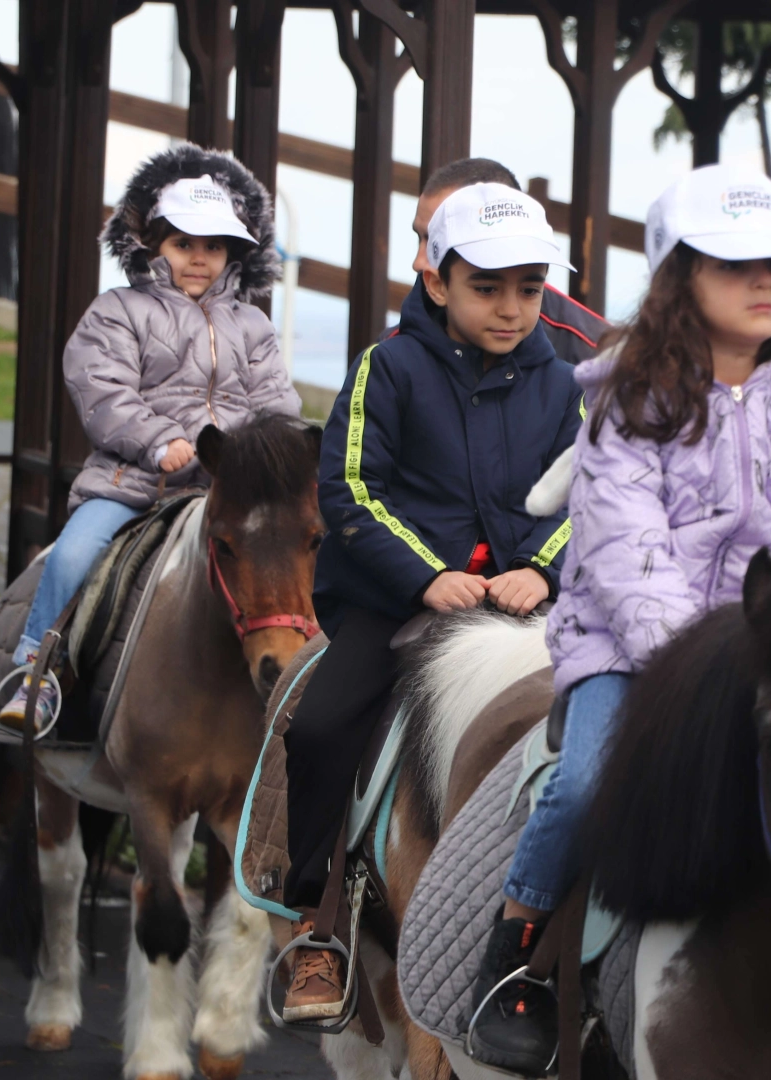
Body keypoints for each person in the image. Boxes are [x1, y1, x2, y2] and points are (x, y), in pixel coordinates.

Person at [464, 164, 771, 1074]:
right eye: (733, 265)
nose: (764, 283)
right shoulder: (628, 404)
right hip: (633, 652)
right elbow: (625, 555)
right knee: (588, 779)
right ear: (681, 277)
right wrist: (707, 670)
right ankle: (515, 948)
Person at [281, 183, 583, 1021]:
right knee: (322, 724)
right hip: (400, 599)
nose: (510, 308)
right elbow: (347, 489)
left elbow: (592, 495)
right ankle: (316, 921)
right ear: (438, 282)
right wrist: (427, 576)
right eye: (487, 287)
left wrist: (542, 571)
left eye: (528, 288)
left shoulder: (564, 387)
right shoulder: (387, 367)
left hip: (525, 604)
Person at [0, 146, 299, 729]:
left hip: (224, 486)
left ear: (234, 254)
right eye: (184, 244)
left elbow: (275, 403)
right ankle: (36, 673)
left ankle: (301, 669)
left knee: (295, 551)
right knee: (76, 554)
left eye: (214, 247)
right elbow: (101, 386)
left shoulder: (253, 324)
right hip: (133, 482)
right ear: (152, 244)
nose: (199, 259)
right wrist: (160, 440)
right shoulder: (119, 312)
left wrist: (265, 456)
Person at [411, 157, 607, 362]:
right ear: (436, 286)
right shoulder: (392, 360)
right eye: (421, 237)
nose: (418, 262)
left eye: (437, 240)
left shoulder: (599, 358)